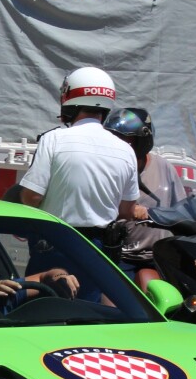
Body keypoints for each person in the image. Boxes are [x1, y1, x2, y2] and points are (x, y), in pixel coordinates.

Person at [17, 67, 148, 291]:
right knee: (89, 313)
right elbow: (127, 210)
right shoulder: (125, 149)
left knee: (45, 310)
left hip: (55, 242)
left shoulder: (53, 139)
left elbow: (32, 195)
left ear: (69, 99)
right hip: (99, 247)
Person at [103, 107, 188, 290]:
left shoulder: (163, 167)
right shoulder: (108, 167)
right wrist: (129, 210)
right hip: (122, 254)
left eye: (126, 140)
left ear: (142, 140)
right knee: (115, 297)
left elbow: (180, 207)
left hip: (160, 255)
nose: (119, 144)